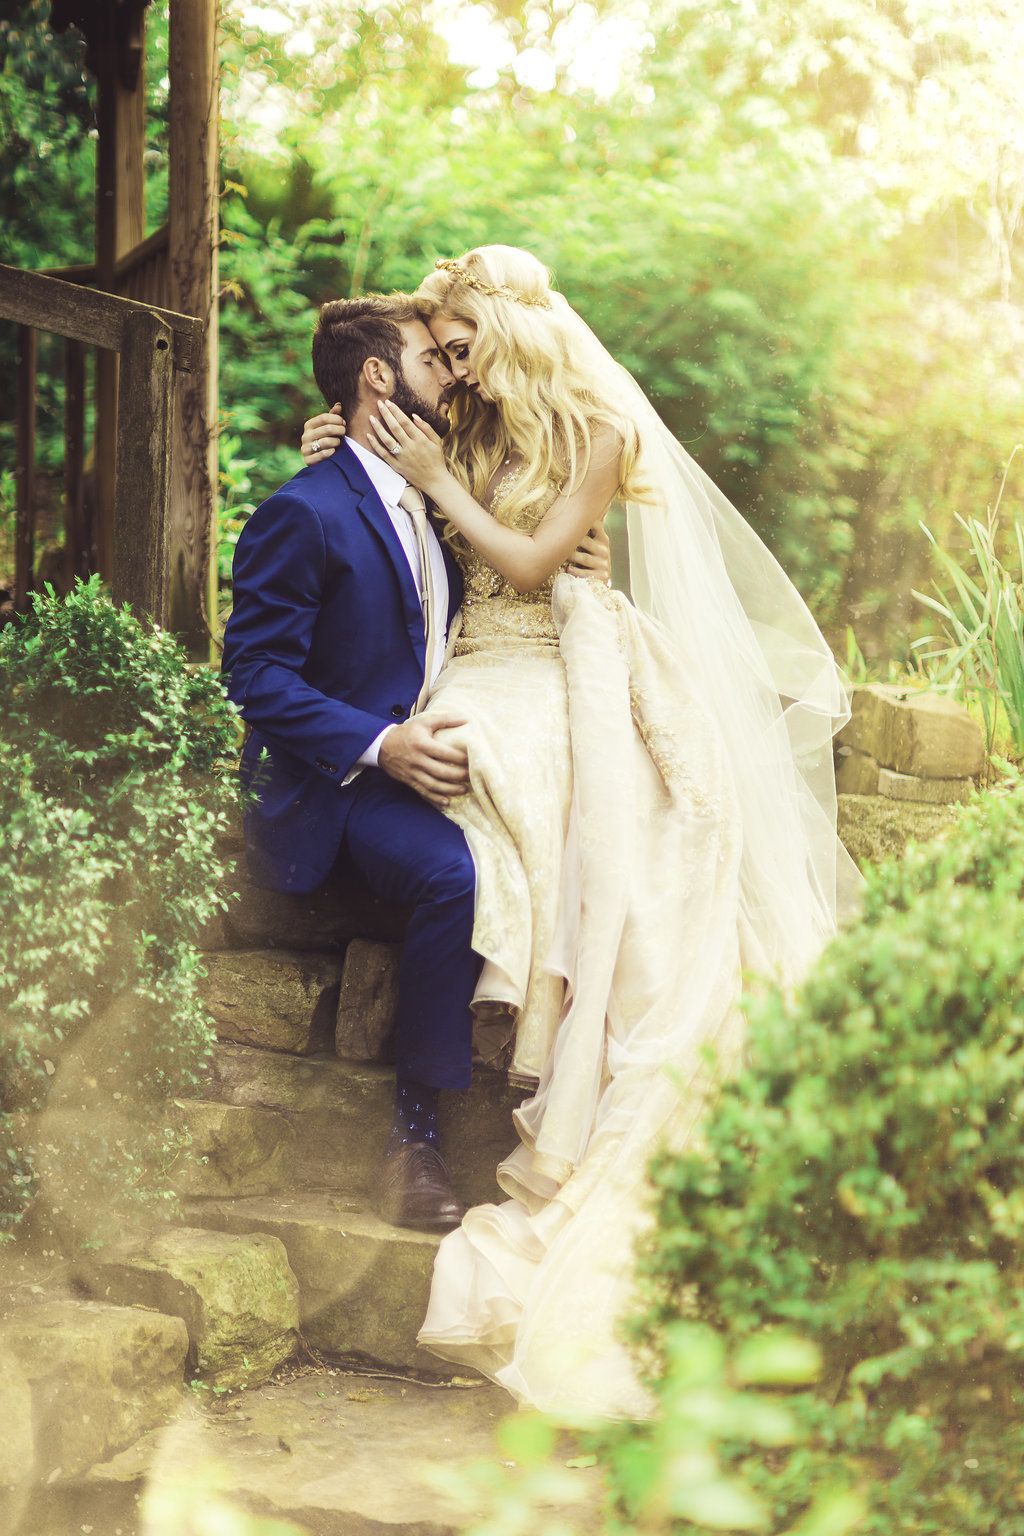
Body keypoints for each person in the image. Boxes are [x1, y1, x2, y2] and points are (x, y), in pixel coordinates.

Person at [300, 245, 860, 1418]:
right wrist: (339, 456)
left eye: (461, 350)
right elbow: (396, 510)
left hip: (567, 649)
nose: (449, 372)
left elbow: (535, 561)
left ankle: (547, 995)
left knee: (542, 769)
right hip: (478, 658)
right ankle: (506, 945)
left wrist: (447, 492)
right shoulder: (464, 429)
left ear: (510, 333)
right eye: (439, 354)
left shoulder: (599, 431)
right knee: (469, 749)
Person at [221, 295, 610, 1238]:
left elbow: (513, 550)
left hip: (444, 738)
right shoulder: (303, 510)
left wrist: (579, 565)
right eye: (435, 360)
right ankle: (414, 1141)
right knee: (450, 872)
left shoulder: (433, 499)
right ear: (377, 379)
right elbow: (253, 674)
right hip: (336, 781)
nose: (457, 373)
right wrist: (380, 743)